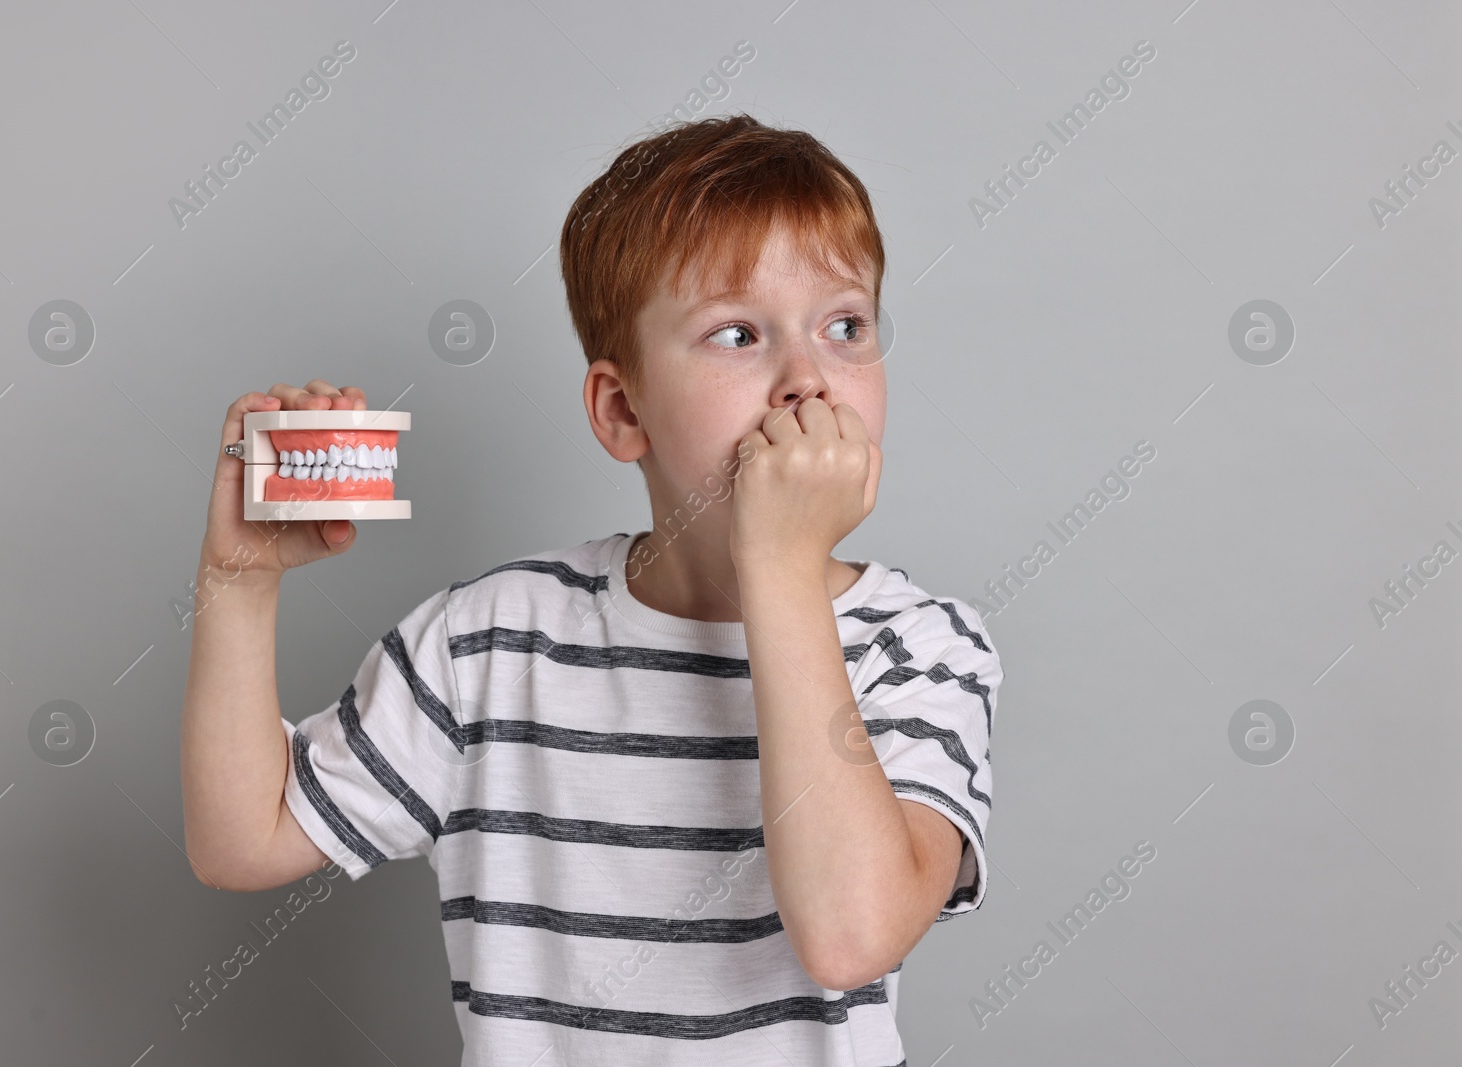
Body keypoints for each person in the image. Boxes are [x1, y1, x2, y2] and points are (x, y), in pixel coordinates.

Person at [181, 113, 1003, 1066]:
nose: (807, 379)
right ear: (623, 410)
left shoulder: (923, 647)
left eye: (845, 325)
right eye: (738, 331)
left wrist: (778, 567)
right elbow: (242, 841)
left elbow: (850, 936)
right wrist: (237, 585)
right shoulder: (486, 645)